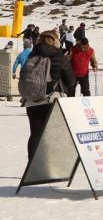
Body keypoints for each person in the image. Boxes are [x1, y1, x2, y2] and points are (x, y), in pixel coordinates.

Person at [21, 30, 75, 160]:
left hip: (32, 99)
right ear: (56, 42)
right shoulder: (58, 55)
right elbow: (71, 80)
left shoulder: (32, 54)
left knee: (35, 133)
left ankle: (32, 166)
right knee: (53, 133)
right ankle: (50, 165)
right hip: (52, 99)